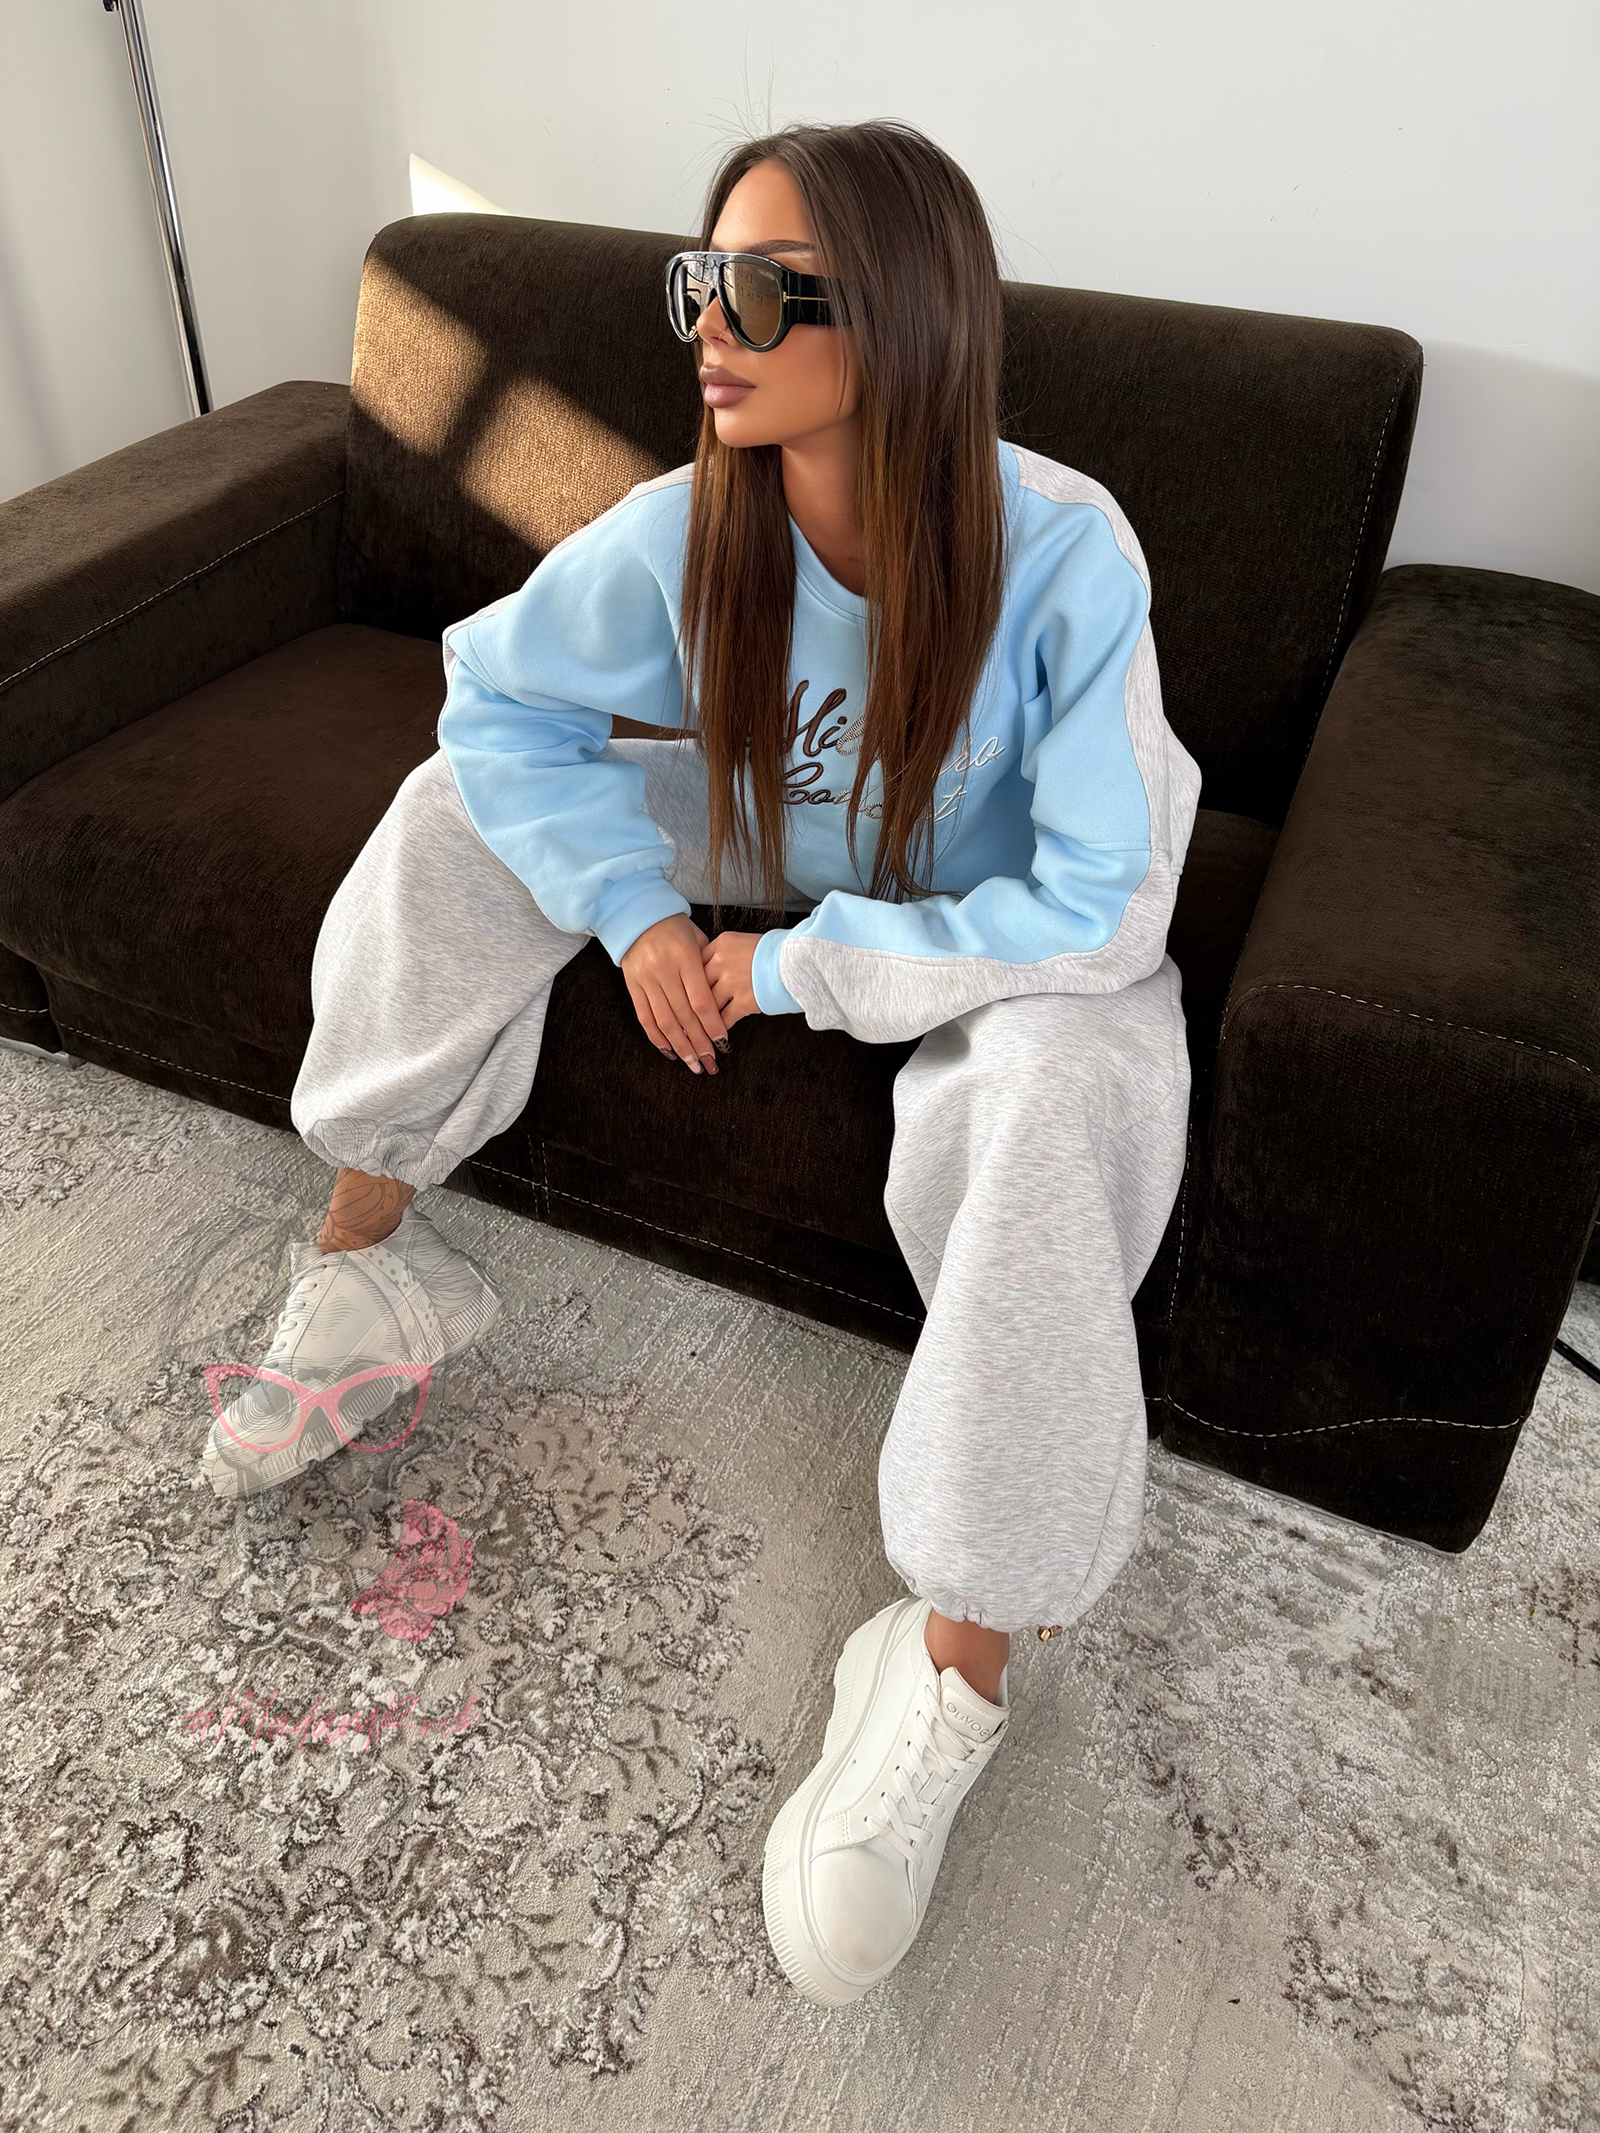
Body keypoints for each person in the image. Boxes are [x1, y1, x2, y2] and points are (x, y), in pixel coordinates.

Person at [202, 119, 1201, 2006]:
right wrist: (639, 914)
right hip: (780, 834)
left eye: (762, 290)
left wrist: (805, 968)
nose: (709, 329)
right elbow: (495, 697)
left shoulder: (1065, 550)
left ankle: (954, 1656)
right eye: (698, 282)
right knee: (449, 815)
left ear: (903, 316)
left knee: (1065, 1093)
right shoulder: (692, 524)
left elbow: (1104, 898)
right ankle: (368, 1261)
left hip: (1001, 917)